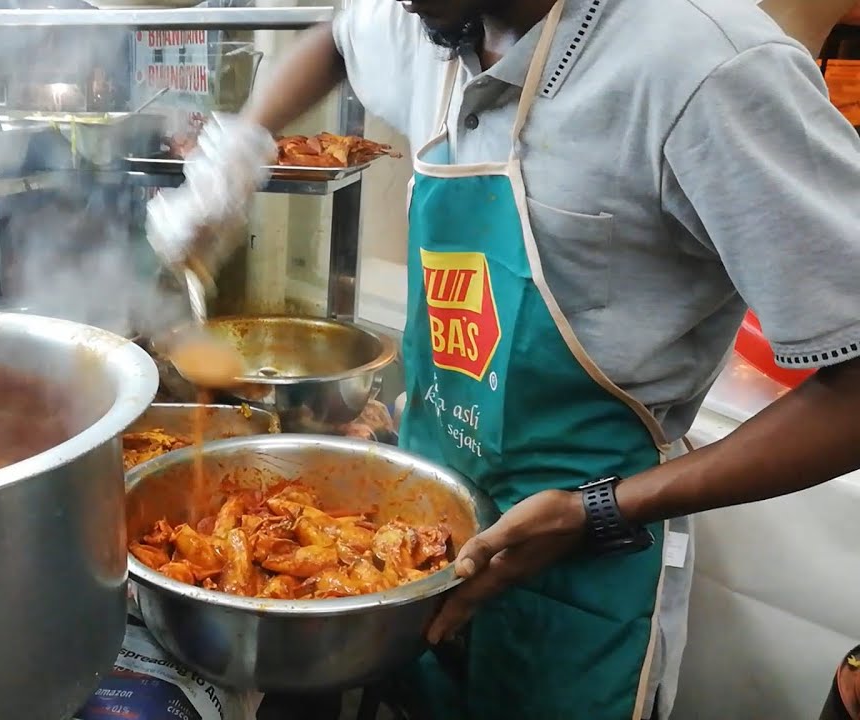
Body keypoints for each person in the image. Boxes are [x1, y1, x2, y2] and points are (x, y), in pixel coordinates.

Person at [145, 0, 860, 718]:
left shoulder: (707, 68)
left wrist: (597, 511)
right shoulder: (437, 21)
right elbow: (334, 38)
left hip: (585, 571)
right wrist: (236, 155)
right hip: (424, 545)